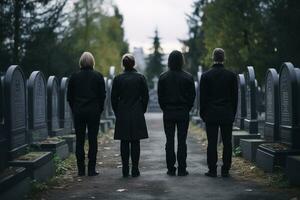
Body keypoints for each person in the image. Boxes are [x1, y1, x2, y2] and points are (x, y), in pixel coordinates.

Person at [199, 48, 238, 178]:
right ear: (224, 58)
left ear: (213, 58)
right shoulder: (231, 76)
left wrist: (203, 114)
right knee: (227, 143)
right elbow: (234, 98)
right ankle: (226, 170)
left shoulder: (206, 76)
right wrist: (233, 113)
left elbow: (203, 98)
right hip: (227, 113)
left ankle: (212, 170)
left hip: (211, 114)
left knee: (212, 143)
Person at [67, 52, 106, 176]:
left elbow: (69, 97)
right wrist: (99, 109)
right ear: (92, 62)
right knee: (93, 140)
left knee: (80, 140)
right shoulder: (98, 76)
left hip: (79, 111)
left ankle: (80, 170)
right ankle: (91, 169)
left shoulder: (74, 77)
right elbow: (102, 96)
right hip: (93, 112)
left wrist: (75, 109)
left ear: (81, 62)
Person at [158, 50, 196, 176]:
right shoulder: (188, 77)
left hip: (168, 112)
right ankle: (182, 168)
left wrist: (166, 108)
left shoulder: (163, 77)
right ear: (181, 61)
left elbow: (160, 97)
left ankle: (170, 168)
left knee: (169, 141)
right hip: (183, 112)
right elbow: (192, 97)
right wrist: (187, 108)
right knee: (182, 141)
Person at [111, 53, 149, 178]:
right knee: (135, 141)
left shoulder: (118, 79)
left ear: (123, 64)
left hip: (122, 112)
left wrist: (118, 112)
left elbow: (113, 98)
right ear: (133, 64)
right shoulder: (140, 78)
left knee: (124, 141)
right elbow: (145, 97)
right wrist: (141, 110)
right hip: (137, 111)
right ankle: (135, 169)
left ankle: (125, 169)